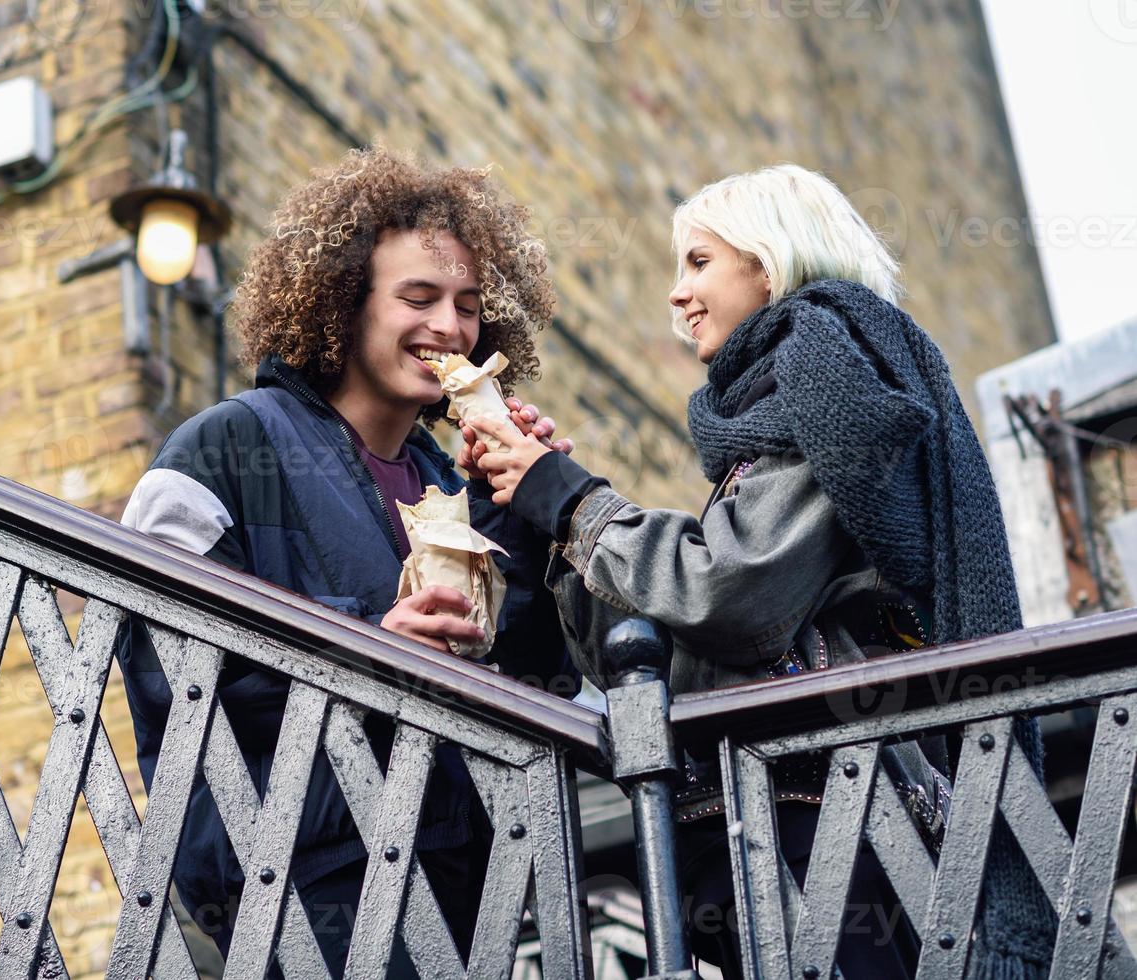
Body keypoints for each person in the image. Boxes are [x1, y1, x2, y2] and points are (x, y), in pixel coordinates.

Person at [467, 163, 1053, 979]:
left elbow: (734, 596)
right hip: (787, 811)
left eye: (699, 262)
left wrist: (572, 501)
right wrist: (543, 516)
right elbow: (652, 646)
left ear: (769, 263)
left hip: (835, 812)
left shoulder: (822, 364)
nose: (676, 294)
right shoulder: (784, 405)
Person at [116, 146, 578, 976]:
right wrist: (371, 650)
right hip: (299, 872)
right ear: (342, 304)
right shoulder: (228, 444)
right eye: (418, 297)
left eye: (469, 305)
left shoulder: (451, 480)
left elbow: (536, 675)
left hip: (462, 881)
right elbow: (167, 662)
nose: (449, 328)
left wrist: (528, 514)